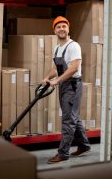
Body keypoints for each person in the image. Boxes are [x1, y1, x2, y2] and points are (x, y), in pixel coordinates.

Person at [42, 16, 91, 164]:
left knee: (68, 119)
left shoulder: (73, 46)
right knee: (72, 116)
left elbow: (74, 67)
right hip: (64, 85)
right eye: (58, 27)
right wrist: (47, 77)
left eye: (64, 26)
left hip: (73, 85)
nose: (61, 29)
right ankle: (84, 145)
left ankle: (63, 153)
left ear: (68, 29)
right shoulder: (57, 48)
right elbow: (55, 68)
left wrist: (57, 80)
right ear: (54, 30)